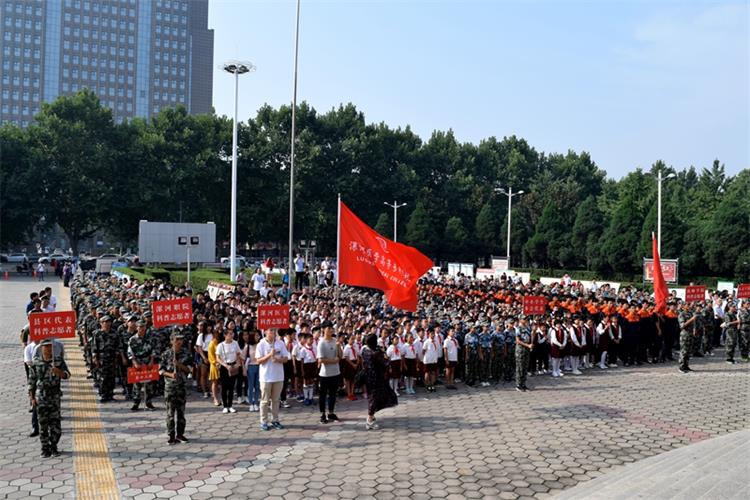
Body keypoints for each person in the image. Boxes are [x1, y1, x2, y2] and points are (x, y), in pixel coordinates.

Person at [28, 339, 70, 457]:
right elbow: (31, 382)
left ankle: (54, 446)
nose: (48, 349)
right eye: (45, 347)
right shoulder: (36, 363)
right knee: (43, 424)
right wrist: (32, 398)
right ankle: (45, 448)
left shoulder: (58, 361)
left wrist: (60, 373)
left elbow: (68, 375)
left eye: (50, 347)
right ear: (41, 348)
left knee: (55, 425)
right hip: (41, 397)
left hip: (54, 396)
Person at [160, 332, 192, 445]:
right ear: (171, 341)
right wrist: (169, 374)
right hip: (170, 388)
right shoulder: (165, 354)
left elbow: (190, 370)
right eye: (177, 339)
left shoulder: (186, 353)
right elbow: (161, 370)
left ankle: (180, 434)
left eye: (181, 339)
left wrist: (179, 365)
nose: (179, 342)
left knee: (181, 413)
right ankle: (171, 435)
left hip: (181, 387)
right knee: (170, 413)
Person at [361, 333, 397, 430]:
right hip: (377, 379)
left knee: (372, 397)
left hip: (368, 378)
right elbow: (386, 362)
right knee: (374, 398)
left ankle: (371, 417)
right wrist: (383, 352)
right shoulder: (376, 354)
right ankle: (369, 420)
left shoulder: (364, 351)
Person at [256, 328, 289, 431]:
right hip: (266, 377)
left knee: (276, 400)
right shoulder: (261, 344)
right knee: (265, 401)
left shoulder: (280, 343)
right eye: (271, 331)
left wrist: (278, 359)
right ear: (265, 332)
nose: (273, 333)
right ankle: (264, 421)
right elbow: (258, 360)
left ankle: (275, 420)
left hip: (278, 376)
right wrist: (269, 355)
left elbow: (286, 358)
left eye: (274, 331)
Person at [128, 319, 157, 411]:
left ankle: (148, 403)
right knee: (137, 384)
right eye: (140, 327)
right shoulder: (132, 339)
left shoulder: (150, 338)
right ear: (136, 328)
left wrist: (152, 361)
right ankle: (136, 403)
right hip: (137, 362)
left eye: (144, 326)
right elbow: (130, 352)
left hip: (148, 362)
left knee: (149, 384)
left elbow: (153, 350)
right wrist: (135, 363)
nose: (142, 328)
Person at [317, 321, 341, 424]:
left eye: (331, 328)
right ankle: (322, 413)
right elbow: (321, 359)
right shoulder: (321, 343)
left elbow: (340, 356)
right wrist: (333, 361)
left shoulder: (335, 341)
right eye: (328, 328)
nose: (331, 330)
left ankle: (331, 412)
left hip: (335, 372)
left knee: (333, 394)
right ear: (323, 329)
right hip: (325, 374)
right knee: (323, 395)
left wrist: (339, 347)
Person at [216, 326, 242, 413]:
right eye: (230, 334)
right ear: (225, 335)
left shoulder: (235, 343)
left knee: (231, 387)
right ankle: (225, 406)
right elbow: (218, 358)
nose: (232, 335)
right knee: (224, 387)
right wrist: (226, 366)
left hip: (233, 366)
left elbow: (238, 354)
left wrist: (238, 364)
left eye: (232, 333)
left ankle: (230, 405)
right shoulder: (220, 345)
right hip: (224, 367)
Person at [243, 330, 261, 412]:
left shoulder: (260, 345)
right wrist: (244, 369)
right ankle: (251, 403)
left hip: (260, 367)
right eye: (256, 335)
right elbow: (242, 358)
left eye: (258, 336)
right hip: (250, 367)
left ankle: (256, 403)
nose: (258, 337)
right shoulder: (247, 346)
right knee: (250, 386)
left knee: (257, 386)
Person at [678, 304, 698, 373]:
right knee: (684, 351)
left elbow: (694, 322)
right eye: (687, 305)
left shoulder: (690, 313)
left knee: (688, 351)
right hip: (684, 335)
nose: (689, 306)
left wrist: (694, 329)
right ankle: (681, 367)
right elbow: (682, 326)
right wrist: (691, 319)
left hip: (690, 334)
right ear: (683, 306)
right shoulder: (681, 314)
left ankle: (686, 365)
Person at [515, 317, 533, 392]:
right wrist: (527, 345)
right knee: (520, 368)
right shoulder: (518, 328)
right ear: (520, 320)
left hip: (527, 349)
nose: (525, 320)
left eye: (526, 319)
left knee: (525, 367)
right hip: (520, 349)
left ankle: (523, 384)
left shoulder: (528, 328)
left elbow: (530, 337)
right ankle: (518, 385)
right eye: (524, 319)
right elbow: (518, 340)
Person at [207, 327, 222, 406]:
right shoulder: (212, 343)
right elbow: (211, 356)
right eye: (216, 332)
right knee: (215, 383)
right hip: (214, 365)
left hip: (221, 364)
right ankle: (215, 398)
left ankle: (221, 398)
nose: (217, 334)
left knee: (221, 383)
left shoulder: (219, 342)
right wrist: (216, 363)